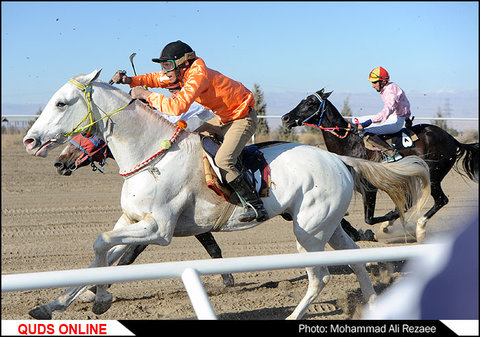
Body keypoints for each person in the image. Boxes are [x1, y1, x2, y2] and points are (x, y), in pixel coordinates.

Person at [112, 40, 267, 222]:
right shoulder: (184, 73)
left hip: (242, 118)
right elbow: (156, 79)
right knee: (193, 141)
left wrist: (145, 95)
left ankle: (255, 205)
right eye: (163, 65)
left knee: (224, 160)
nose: (164, 71)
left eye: (168, 65)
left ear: (184, 63)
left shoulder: (197, 76)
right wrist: (130, 81)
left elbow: (177, 107)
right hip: (224, 117)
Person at [353, 66, 411, 163]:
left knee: (365, 132)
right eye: (372, 82)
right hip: (395, 118)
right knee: (355, 120)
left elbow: (388, 109)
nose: (373, 85)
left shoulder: (390, 91)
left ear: (383, 81)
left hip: (395, 121)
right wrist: (408, 119)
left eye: (375, 82)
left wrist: (370, 121)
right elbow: (405, 105)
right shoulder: (390, 87)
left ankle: (391, 154)